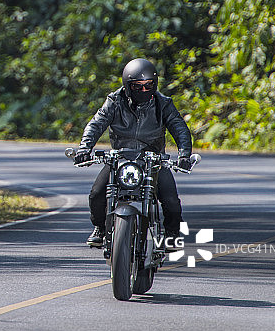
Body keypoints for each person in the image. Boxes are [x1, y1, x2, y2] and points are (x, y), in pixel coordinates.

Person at [74, 58, 193, 248]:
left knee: (171, 200)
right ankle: (100, 228)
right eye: (138, 86)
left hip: (153, 160)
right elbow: (96, 124)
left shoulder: (163, 104)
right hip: (120, 158)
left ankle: (171, 234)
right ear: (128, 86)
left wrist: (184, 154)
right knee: (97, 194)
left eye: (149, 85)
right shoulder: (114, 101)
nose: (144, 90)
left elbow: (179, 127)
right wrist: (84, 148)